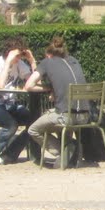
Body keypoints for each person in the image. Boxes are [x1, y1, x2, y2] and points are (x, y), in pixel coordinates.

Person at [27, 34, 87, 164]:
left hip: (66, 117)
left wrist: (48, 88)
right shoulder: (74, 61)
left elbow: (29, 85)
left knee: (33, 130)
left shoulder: (48, 62)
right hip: (84, 116)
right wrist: (54, 89)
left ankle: (64, 152)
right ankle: (70, 151)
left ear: (49, 55)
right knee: (60, 116)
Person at [0, 36, 37, 162]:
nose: (19, 58)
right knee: (11, 125)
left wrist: (32, 61)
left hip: (10, 105)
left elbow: (35, 82)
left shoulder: (20, 64)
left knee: (35, 122)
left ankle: (11, 153)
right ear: (8, 53)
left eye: (20, 55)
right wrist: (8, 63)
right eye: (17, 55)